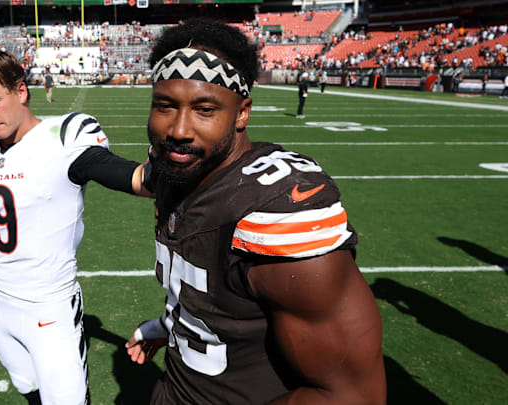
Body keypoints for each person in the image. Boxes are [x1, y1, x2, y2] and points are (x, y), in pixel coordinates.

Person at [125, 19, 386, 404]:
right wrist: (170, 326)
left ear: (242, 112)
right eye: (165, 106)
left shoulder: (275, 211)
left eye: (204, 109)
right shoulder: (179, 170)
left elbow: (352, 396)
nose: (178, 129)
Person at [0, 49, 150, 405]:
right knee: (28, 391)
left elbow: (128, 176)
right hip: (0, 305)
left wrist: (173, 174)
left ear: (21, 90)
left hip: (50, 308)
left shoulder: (64, 138)